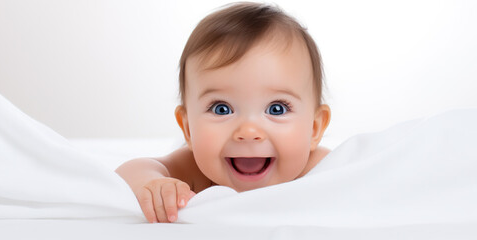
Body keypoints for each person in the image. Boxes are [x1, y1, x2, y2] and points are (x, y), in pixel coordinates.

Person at [116, 2, 331, 223]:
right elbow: (132, 170)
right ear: (188, 129)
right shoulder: (198, 171)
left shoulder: (318, 169)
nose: (248, 131)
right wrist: (153, 184)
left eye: (276, 109)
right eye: (222, 109)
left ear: (314, 129)